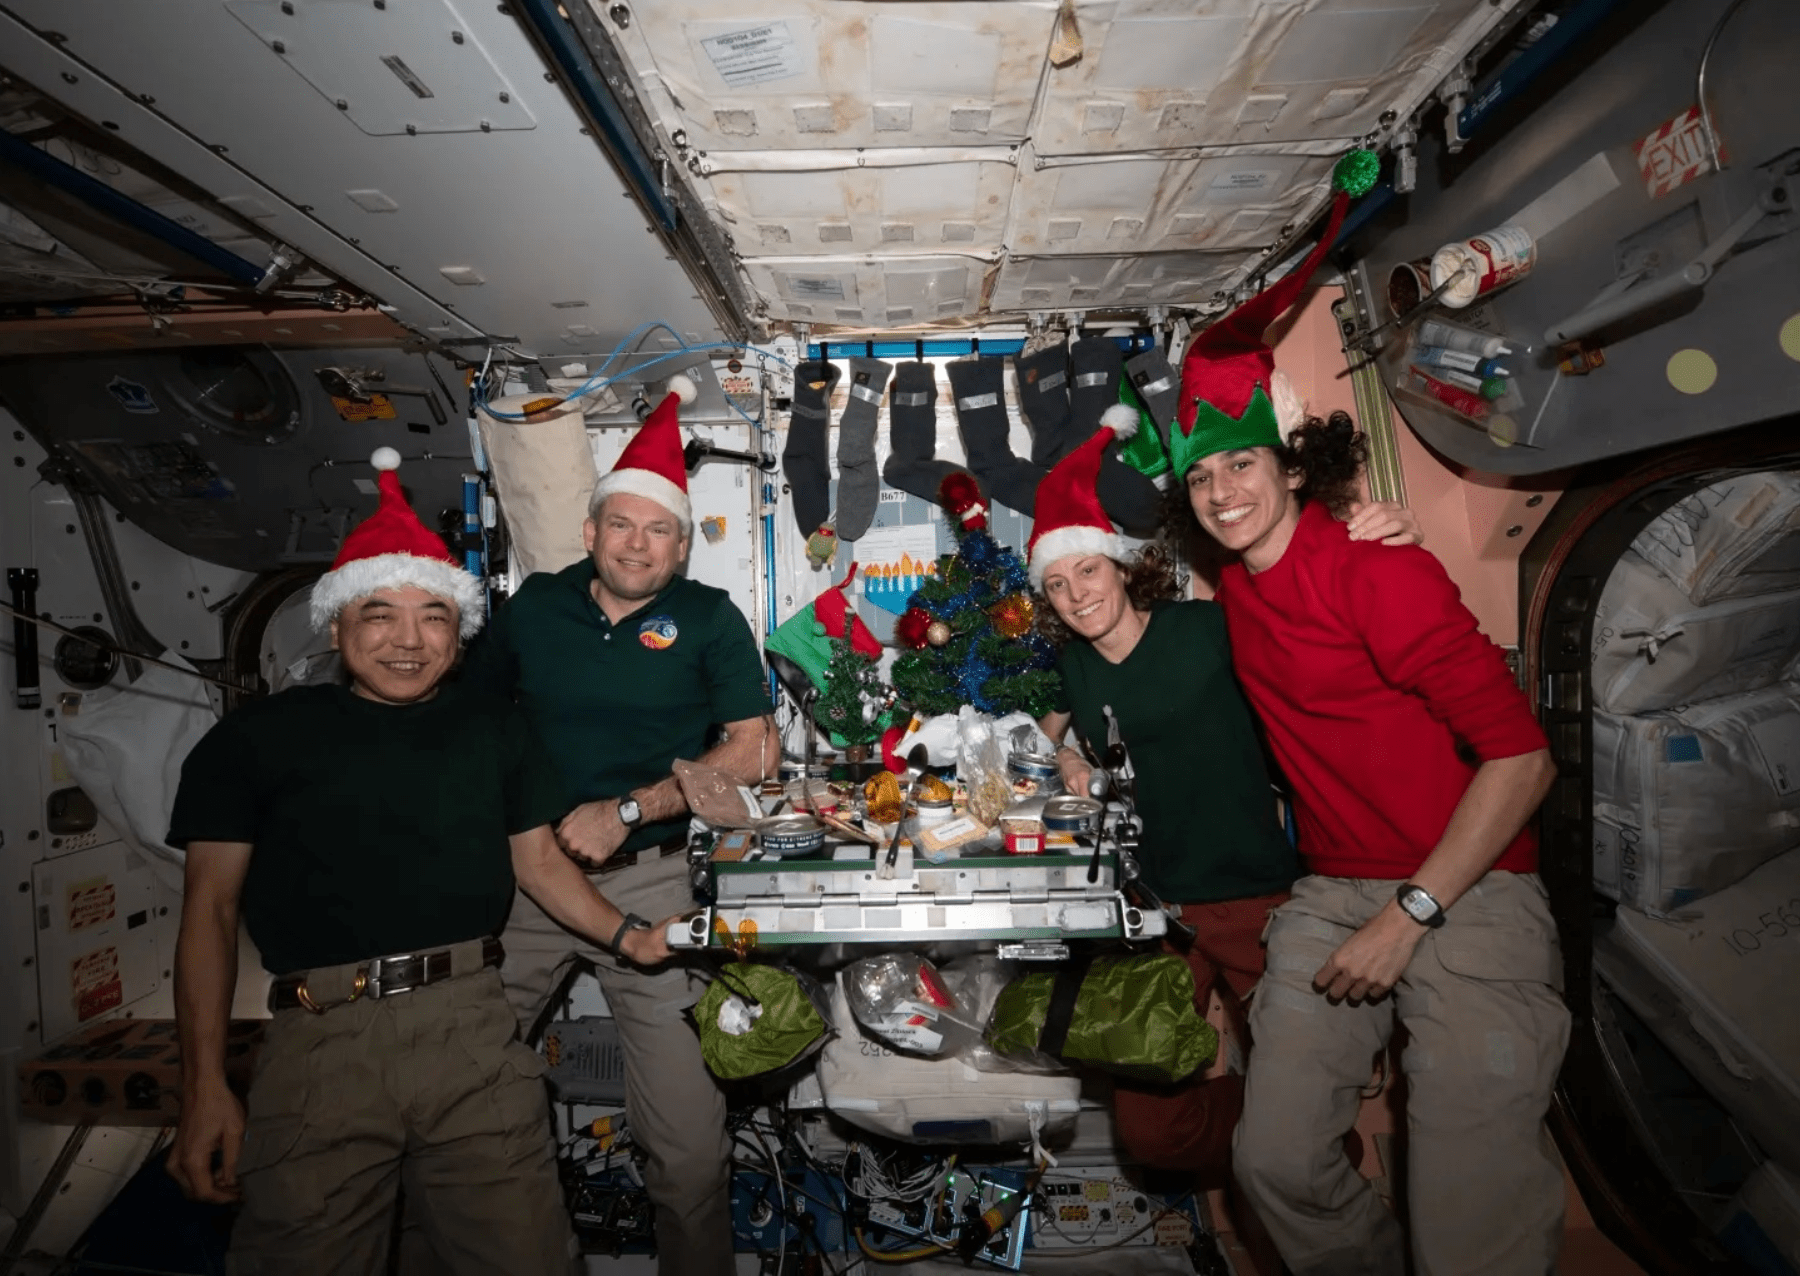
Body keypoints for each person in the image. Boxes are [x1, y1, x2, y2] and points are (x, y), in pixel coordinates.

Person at [1165, 190, 1568, 1275]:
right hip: (1333, 890)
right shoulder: (1238, 592)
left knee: (1466, 1215)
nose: (1221, 490)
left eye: (1241, 462)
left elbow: (1525, 761)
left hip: (1470, 889)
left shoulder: (1378, 570)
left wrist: (1413, 912)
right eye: (1200, 475)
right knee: (1277, 1162)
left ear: (1292, 465)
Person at [166, 449, 676, 1275]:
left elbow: (541, 865)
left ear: (459, 631)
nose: (408, 640)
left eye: (433, 616)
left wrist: (633, 938)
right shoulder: (254, 741)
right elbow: (209, 912)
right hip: (321, 1045)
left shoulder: (493, 732)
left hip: (471, 1030)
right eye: (379, 614)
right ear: (337, 626)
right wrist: (203, 1087)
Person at [1027, 405, 1417, 1183]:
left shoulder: (1206, 627)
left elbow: (1304, 605)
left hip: (1258, 896)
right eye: (1059, 584)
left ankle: (1305, 1188)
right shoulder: (1072, 667)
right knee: (1153, 1134)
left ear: (1120, 566)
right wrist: (1063, 760)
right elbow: (1030, 748)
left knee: (1311, 1126)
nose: (1077, 594)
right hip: (1154, 912)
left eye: (1088, 571)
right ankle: (1261, 1149)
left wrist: (1370, 528)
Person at [460, 377, 772, 1276]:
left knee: (686, 1148)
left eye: (660, 530)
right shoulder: (534, 610)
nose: (639, 544)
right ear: (591, 532)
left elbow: (753, 753)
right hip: (527, 885)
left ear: (680, 546)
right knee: (463, 1094)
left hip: (655, 883)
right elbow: (471, 726)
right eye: (623, 525)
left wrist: (633, 807)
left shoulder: (708, 618)